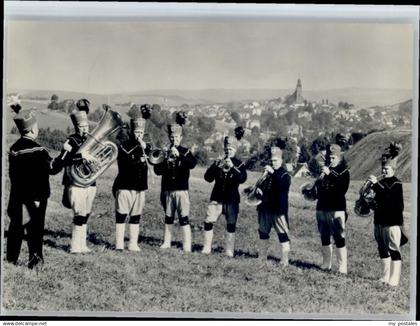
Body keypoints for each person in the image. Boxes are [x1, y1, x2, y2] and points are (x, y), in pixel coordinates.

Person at [6, 105, 63, 269]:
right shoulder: (39, 150)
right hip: (35, 198)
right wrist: (65, 154)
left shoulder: (14, 149)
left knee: (16, 227)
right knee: (35, 231)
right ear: (32, 130)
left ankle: (11, 259)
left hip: (17, 196)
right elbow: (53, 169)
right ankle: (35, 260)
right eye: (36, 127)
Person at [153, 122, 197, 252]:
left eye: (177, 137)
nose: (174, 139)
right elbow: (157, 171)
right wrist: (164, 157)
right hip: (167, 190)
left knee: (184, 218)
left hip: (181, 189)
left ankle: (187, 245)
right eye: (172, 137)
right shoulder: (165, 151)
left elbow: (192, 164)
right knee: (168, 217)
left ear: (181, 138)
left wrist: (179, 156)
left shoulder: (186, 151)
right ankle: (167, 242)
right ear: (170, 137)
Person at [368, 143, 407, 287]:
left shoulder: (397, 184)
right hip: (379, 221)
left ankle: (394, 280)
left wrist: (376, 186)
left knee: (394, 250)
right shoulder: (381, 183)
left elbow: (389, 198)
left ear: (393, 169)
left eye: (387, 168)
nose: (384, 170)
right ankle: (385, 277)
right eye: (383, 168)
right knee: (382, 249)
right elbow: (378, 201)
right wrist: (368, 201)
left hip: (392, 222)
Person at [201, 136, 247, 257]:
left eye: (231, 149)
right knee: (208, 221)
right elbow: (207, 178)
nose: (228, 151)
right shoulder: (218, 161)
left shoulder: (239, 163)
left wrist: (232, 167)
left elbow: (242, 179)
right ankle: (206, 247)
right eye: (227, 149)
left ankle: (229, 250)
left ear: (235, 150)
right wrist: (216, 165)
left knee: (231, 225)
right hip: (217, 197)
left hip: (231, 199)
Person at [61, 104, 97, 254]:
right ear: (76, 127)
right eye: (82, 126)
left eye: (86, 126)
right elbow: (64, 159)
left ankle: (83, 245)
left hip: (90, 182)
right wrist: (81, 156)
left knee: (86, 214)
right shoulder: (71, 141)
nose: (85, 129)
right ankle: (75, 246)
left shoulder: (91, 139)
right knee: (79, 214)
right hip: (75, 183)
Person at [112, 115, 151, 251]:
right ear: (131, 132)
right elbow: (124, 164)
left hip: (140, 187)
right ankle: (119, 244)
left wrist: (145, 149)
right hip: (125, 185)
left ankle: (133, 243)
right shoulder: (123, 146)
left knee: (136, 216)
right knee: (121, 215)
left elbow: (154, 160)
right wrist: (139, 160)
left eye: (141, 132)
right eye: (136, 132)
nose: (139, 135)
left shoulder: (147, 147)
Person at [315, 144, 350, 274]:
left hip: (337, 208)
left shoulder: (344, 172)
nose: (331, 160)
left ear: (340, 157)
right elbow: (320, 188)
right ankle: (326, 263)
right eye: (329, 157)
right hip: (322, 207)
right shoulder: (325, 171)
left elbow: (341, 189)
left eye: (334, 157)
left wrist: (329, 174)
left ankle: (342, 267)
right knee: (324, 236)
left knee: (339, 238)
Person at [255, 146, 291, 266]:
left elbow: (283, 186)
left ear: (281, 160)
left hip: (278, 209)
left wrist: (273, 172)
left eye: (275, 160)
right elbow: (261, 185)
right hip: (265, 208)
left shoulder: (285, 174)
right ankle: (262, 257)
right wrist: (258, 190)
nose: (273, 162)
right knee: (263, 232)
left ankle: (285, 260)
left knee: (282, 234)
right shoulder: (267, 173)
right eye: (272, 160)